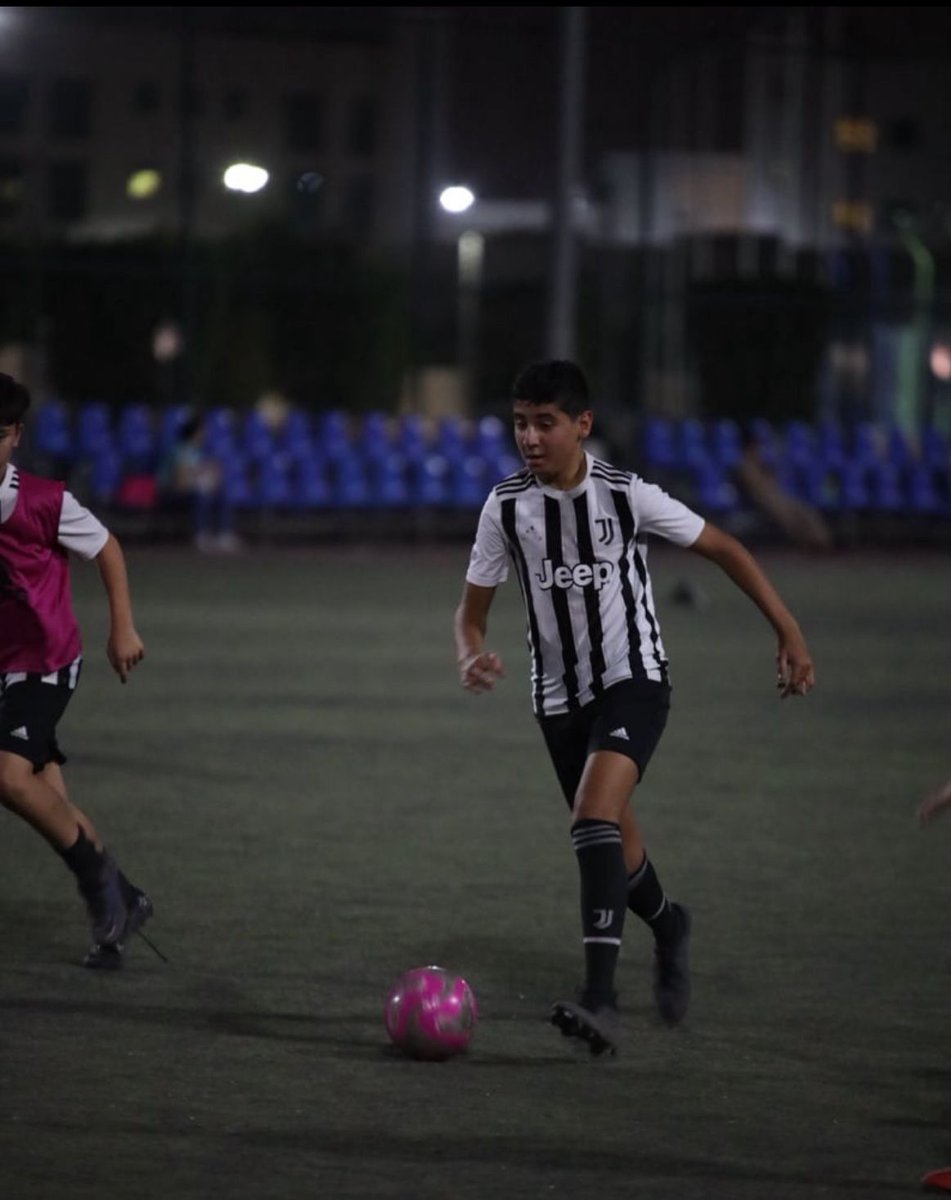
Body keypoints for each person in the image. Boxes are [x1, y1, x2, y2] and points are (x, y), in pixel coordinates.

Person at [453, 360, 815, 1056]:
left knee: (590, 818)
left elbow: (724, 548)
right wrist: (469, 653)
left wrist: (788, 632)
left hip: (634, 680)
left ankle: (600, 1001)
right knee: (616, 844)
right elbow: (471, 613)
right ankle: (669, 924)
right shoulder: (504, 506)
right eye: (520, 423)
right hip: (557, 699)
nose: (529, 437)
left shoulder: (626, 496)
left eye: (545, 423)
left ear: (581, 425)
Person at [0, 373, 153, 970]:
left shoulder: (44, 500)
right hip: (4, 667)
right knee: (46, 796)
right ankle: (123, 900)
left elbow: (109, 547)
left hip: (45, 661)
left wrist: (123, 627)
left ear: (14, 436)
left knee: (9, 777)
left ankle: (101, 889)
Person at [158, 411, 240, 553]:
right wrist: (200, 478)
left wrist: (211, 476)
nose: (205, 435)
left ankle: (223, 535)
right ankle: (200, 535)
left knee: (221, 493)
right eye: (203, 431)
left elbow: (206, 475)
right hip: (172, 493)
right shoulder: (179, 450)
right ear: (195, 432)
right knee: (200, 495)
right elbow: (179, 482)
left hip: (192, 490)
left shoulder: (199, 452)